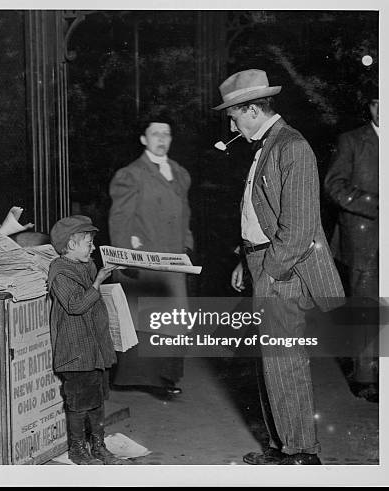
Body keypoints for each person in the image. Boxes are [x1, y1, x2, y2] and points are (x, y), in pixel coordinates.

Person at [213, 69, 344, 465]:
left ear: (252, 109)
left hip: (282, 270)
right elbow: (261, 214)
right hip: (261, 261)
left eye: (233, 117)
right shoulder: (266, 146)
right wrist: (244, 258)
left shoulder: (292, 147)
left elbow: (300, 226)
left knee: (284, 361)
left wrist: (270, 271)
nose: (231, 124)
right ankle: (281, 445)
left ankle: (302, 452)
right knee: (271, 361)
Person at [108, 114, 194, 398]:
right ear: (144, 139)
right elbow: (119, 219)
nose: (161, 139)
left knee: (174, 321)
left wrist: (188, 246)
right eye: (155, 133)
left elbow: (185, 215)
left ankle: (167, 376)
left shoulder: (179, 172)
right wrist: (126, 256)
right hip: (145, 261)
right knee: (148, 319)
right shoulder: (131, 174)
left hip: (174, 260)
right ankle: (152, 381)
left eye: (166, 133)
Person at [47, 215, 123, 465]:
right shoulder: (60, 272)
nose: (93, 248)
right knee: (79, 403)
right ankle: (78, 449)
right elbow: (76, 305)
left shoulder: (86, 264)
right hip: (76, 350)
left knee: (97, 398)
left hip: (94, 347)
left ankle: (98, 446)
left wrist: (104, 275)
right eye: (88, 243)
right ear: (70, 245)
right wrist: (99, 281)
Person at [324, 86, 379, 403]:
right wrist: (376, 204)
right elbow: (334, 185)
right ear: (370, 107)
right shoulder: (351, 140)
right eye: (378, 103)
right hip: (363, 237)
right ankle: (364, 377)